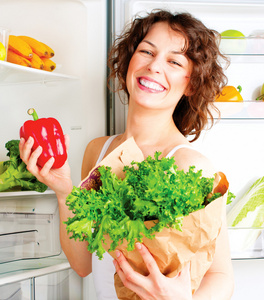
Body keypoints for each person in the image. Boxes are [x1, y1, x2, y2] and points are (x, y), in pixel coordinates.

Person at [19, 9, 234, 300]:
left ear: (191, 84)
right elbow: (83, 265)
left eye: (173, 61)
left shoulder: (189, 164)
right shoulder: (98, 150)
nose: (154, 66)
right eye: (146, 51)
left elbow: (221, 276)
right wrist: (62, 191)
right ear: (130, 60)